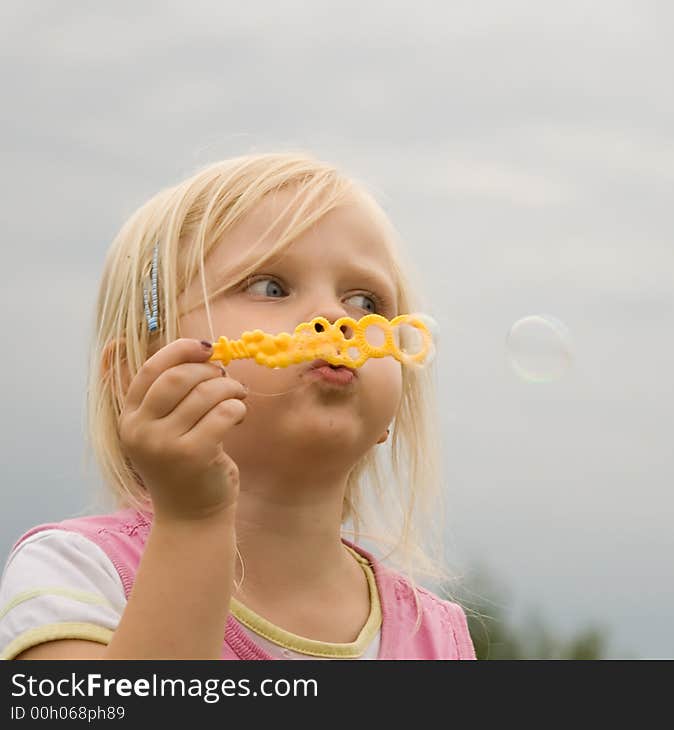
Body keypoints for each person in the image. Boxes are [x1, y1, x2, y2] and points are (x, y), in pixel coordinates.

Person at [0, 152, 476, 660]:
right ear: (135, 374)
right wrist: (192, 522)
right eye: (271, 287)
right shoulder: (79, 576)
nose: (335, 319)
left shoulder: (439, 637)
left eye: (366, 303)